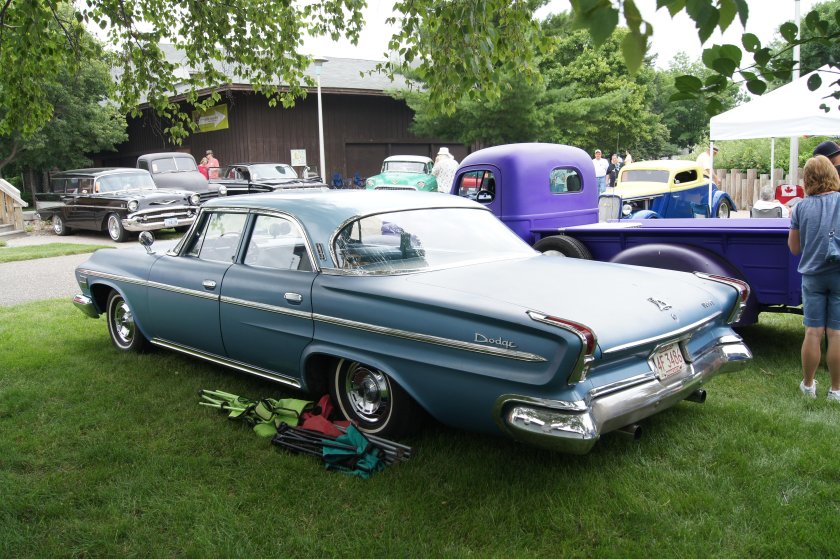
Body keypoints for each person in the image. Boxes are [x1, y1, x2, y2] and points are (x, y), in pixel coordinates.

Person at [787, 155, 840, 401]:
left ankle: (808, 386)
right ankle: (836, 390)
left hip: (812, 276)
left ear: (807, 179)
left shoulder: (800, 207)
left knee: (813, 332)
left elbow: (795, 248)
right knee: (836, 334)